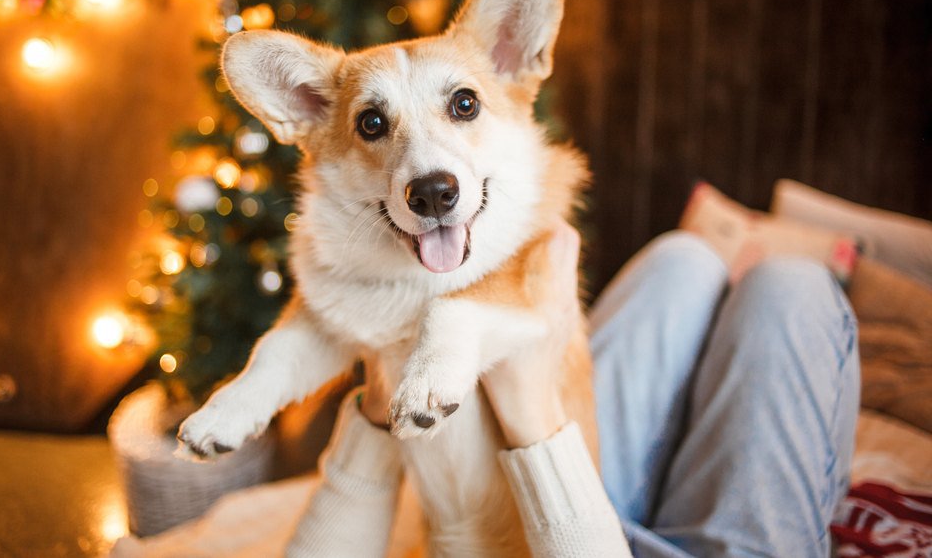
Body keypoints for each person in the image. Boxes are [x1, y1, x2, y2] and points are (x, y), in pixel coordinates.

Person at [287, 225, 861, 557]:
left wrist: (379, 406)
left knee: (682, 258)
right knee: (793, 284)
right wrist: (531, 409)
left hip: (554, 531)